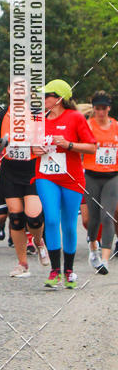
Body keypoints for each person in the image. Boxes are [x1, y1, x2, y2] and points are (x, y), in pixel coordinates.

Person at [32, 79, 96, 289]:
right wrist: (35, 149)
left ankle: (68, 270)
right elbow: (32, 146)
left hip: (71, 178)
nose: (42, 99)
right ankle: (54, 271)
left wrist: (69, 145)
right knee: (51, 219)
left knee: (68, 225)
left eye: (46, 95)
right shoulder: (39, 119)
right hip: (46, 176)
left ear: (58, 99)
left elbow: (91, 147)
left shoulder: (75, 118)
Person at [0, 85, 49, 277]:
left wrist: (41, 148)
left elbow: (46, 143)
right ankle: (22, 263)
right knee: (15, 218)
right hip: (10, 170)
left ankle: (39, 242)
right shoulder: (2, 116)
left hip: (32, 169)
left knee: (34, 217)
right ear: (8, 90)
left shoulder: (36, 115)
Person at [82, 91, 118, 274]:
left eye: (104, 108)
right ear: (94, 109)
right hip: (91, 175)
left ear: (109, 109)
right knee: (93, 219)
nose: (101, 112)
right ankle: (93, 249)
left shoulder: (116, 126)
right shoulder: (87, 126)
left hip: (112, 175)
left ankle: (105, 260)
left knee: (107, 216)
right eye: (98, 109)